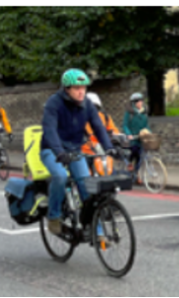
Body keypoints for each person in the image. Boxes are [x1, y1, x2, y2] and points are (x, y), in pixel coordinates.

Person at [40, 69, 117, 236]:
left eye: (84, 87)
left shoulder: (87, 104)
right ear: (67, 88)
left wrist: (109, 147)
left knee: (85, 182)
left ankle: (93, 226)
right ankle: (53, 217)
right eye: (76, 88)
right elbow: (50, 130)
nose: (81, 91)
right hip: (51, 149)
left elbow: (98, 126)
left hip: (74, 149)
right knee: (60, 176)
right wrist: (59, 152)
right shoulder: (54, 103)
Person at [123, 92, 151, 182]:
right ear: (134, 103)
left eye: (141, 101)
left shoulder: (144, 113)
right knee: (134, 151)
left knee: (140, 157)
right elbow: (125, 125)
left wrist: (149, 132)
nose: (140, 103)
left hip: (141, 138)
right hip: (133, 138)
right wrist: (128, 134)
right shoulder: (129, 113)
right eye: (138, 102)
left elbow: (146, 125)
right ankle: (130, 163)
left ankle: (136, 173)